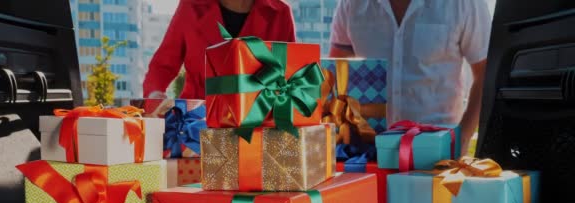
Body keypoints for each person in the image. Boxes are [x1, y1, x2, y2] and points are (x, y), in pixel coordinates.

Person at [329, 0, 492, 155]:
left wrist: (462, 138)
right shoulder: (351, 4)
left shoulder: (463, 3)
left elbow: (486, 71)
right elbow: (336, 75)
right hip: (368, 152)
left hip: (437, 151)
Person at [143, 0, 297, 100]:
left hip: (257, 128)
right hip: (196, 125)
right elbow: (162, 65)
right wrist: (154, 95)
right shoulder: (190, 7)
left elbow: (291, 78)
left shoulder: (280, 13)